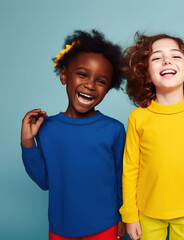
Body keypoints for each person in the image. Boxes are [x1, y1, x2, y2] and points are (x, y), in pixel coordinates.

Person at [21, 30, 126, 239]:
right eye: (82, 74)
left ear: (108, 88)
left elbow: (122, 176)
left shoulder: (114, 129)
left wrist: (124, 216)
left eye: (101, 81)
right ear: (63, 75)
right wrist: (27, 142)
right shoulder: (46, 128)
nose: (90, 85)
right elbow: (44, 181)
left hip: (105, 226)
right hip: (61, 229)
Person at [120, 33, 184, 240]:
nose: (166, 60)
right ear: (147, 75)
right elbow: (130, 170)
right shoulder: (137, 117)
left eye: (175, 56)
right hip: (146, 213)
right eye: (156, 57)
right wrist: (129, 215)